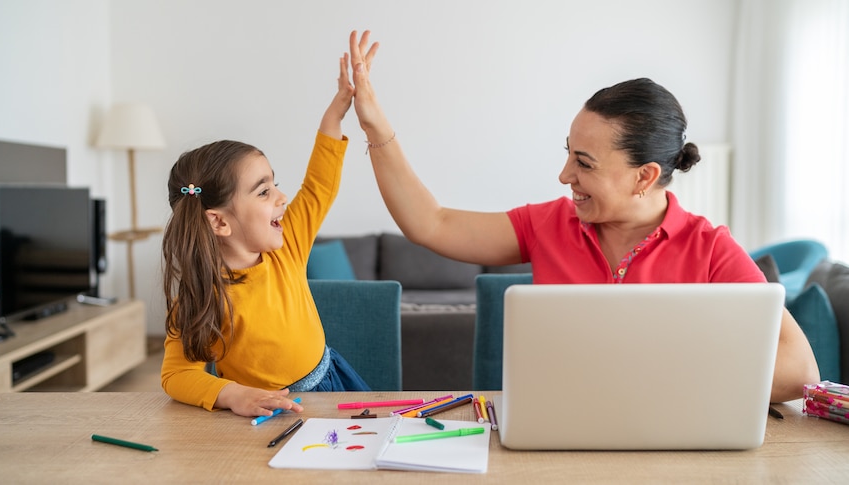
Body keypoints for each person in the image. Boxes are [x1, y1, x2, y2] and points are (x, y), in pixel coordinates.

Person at [347, 30, 819, 402]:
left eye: (585, 164)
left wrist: (661, 366)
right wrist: (375, 125)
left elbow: (799, 371)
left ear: (644, 176)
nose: (563, 175)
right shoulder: (548, 223)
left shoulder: (711, 249)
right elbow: (430, 223)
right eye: (569, 154)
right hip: (560, 437)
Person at [161, 51, 370, 418]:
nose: (282, 197)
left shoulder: (286, 245)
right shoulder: (201, 296)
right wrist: (232, 394)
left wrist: (336, 113)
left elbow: (320, 185)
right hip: (266, 412)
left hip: (331, 386)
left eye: (276, 183)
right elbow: (177, 374)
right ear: (219, 222)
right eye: (263, 191)